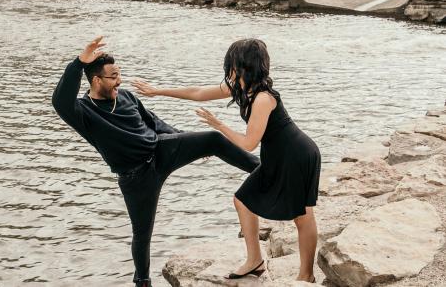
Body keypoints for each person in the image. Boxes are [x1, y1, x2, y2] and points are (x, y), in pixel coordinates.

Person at [51, 36, 260, 287]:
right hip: (135, 176)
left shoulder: (126, 97)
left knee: (212, 140)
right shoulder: (83, 111)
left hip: (161, 152)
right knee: (142, 234)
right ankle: (142, 282)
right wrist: (78, 63)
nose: (119, 80)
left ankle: (265, 170)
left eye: (120, 74)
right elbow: (60, 101)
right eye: (114, 76)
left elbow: (156, 124)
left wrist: (188, 143)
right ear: (96, 80)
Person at [132, 38, 321, 283]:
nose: (228, 67)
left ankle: (306, 275)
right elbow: (198, 93)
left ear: (243, 65)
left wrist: (218, 125)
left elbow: (248, 143)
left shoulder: (263, 98)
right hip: (279, 155)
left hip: (296, 155)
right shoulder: (241, 88)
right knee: (243, 200)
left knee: (302, 215)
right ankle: (255, 260)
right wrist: (157, 90)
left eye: (231, 62)